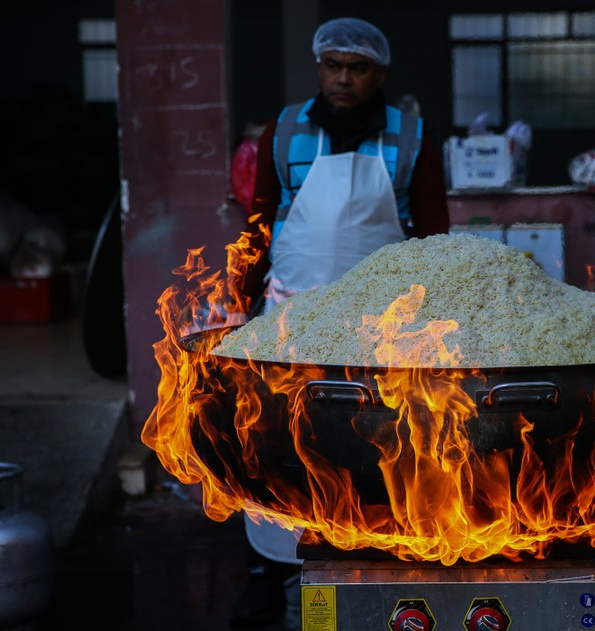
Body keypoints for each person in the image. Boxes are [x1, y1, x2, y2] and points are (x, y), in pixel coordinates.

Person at [229, 16, 450, 629]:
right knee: (277, 445)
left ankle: (370, 568)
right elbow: (261, 223)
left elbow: (434, 235)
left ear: (378, 74)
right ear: (319, 68)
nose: (343, 80)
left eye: (357, 69)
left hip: (380, 328)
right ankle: (270, 570)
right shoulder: (285, 131)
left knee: (371, 446)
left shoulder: (412, 138)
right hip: (290, 322)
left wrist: (440, 316)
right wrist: (239, 308)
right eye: (333, 67)